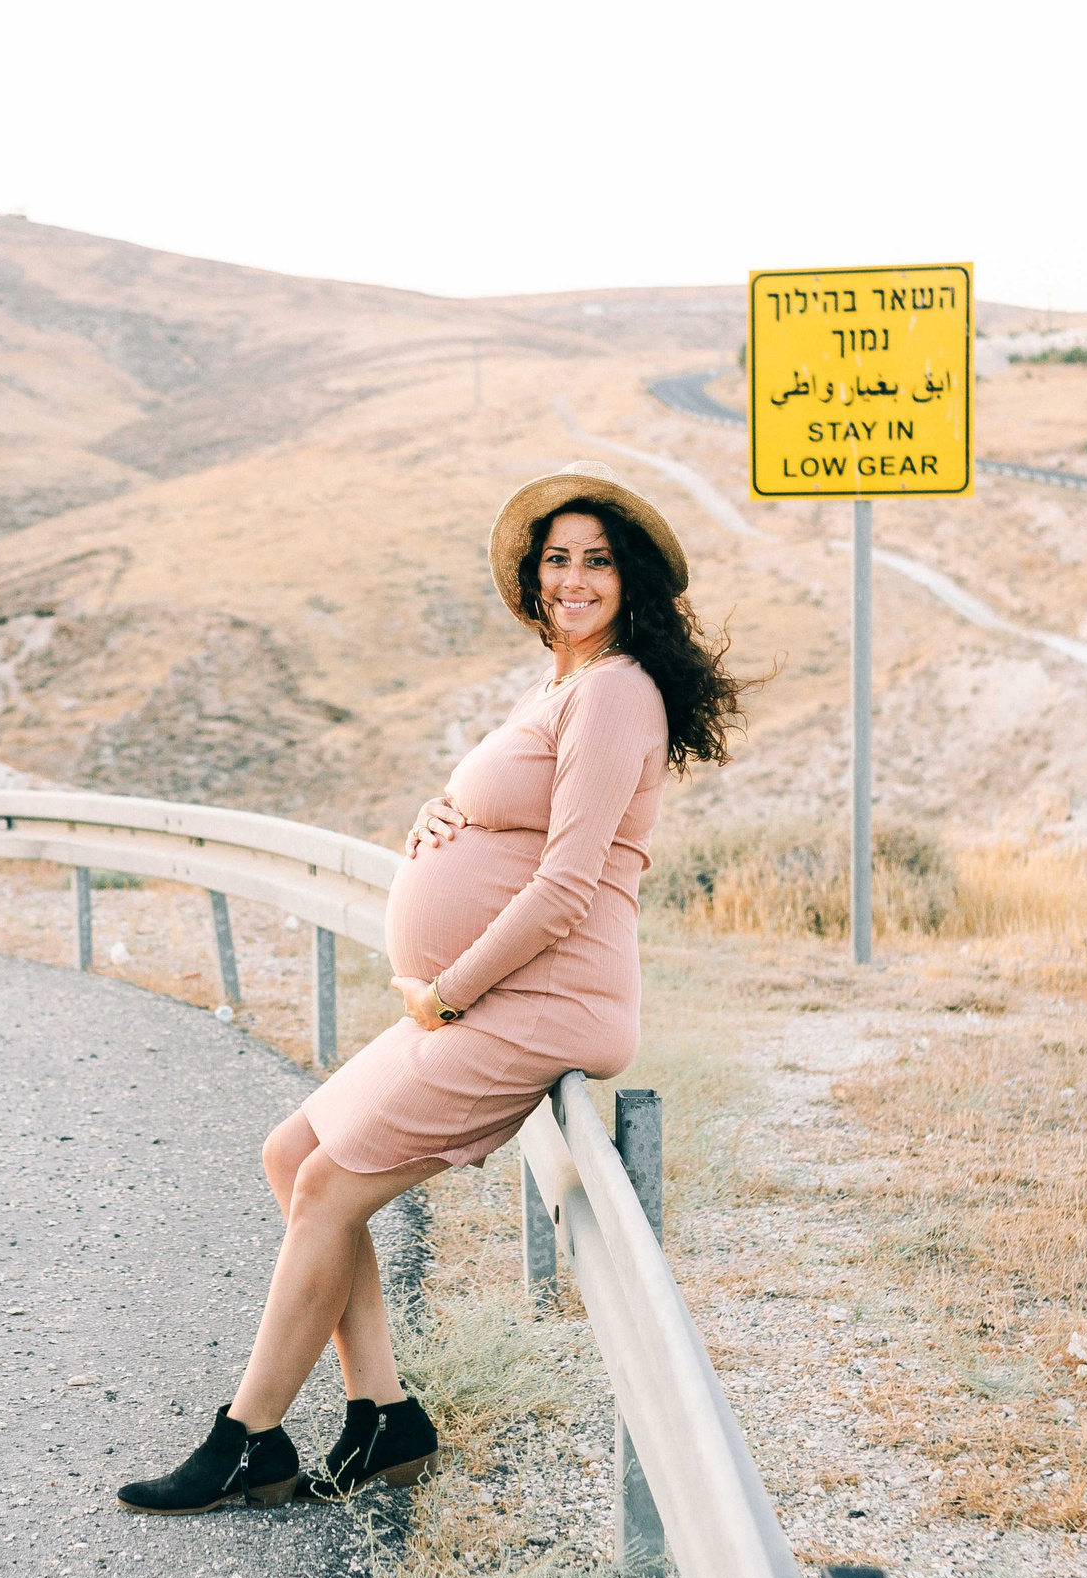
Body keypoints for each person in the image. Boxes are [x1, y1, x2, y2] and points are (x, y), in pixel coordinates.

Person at [117, 460, 752, 1514]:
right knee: (293, 1155)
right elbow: (518, 811)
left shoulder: (616, 690)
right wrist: (442, 813)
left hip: (541, 1002)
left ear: (630, 580)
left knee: (328, 1187)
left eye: (598, 561)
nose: (574, 578)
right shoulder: (561, 685)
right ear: (532, 577)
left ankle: (247, 1438)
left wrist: (448, 991)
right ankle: (385, 1417)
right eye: (557, 559)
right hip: (500, 996)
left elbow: (567, 886)